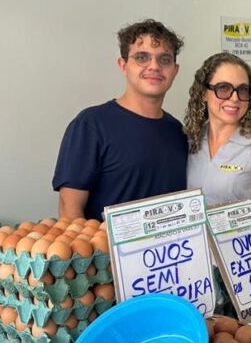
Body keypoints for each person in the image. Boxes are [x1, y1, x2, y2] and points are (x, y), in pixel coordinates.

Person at [52, 19, 187, 220]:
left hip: (170, 251)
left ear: (175, 71)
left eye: (164, 59)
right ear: (123, 65)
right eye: (142, 57)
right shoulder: (91, 125)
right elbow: (69, 211)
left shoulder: (178, 132)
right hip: (105, 250)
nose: (154, 66)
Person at [185, 53, 251, 227]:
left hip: (240, 250)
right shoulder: (191, 139)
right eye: (223, 88)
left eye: (242, 90)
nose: (234, 98)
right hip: (194, 249)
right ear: (203, 93)